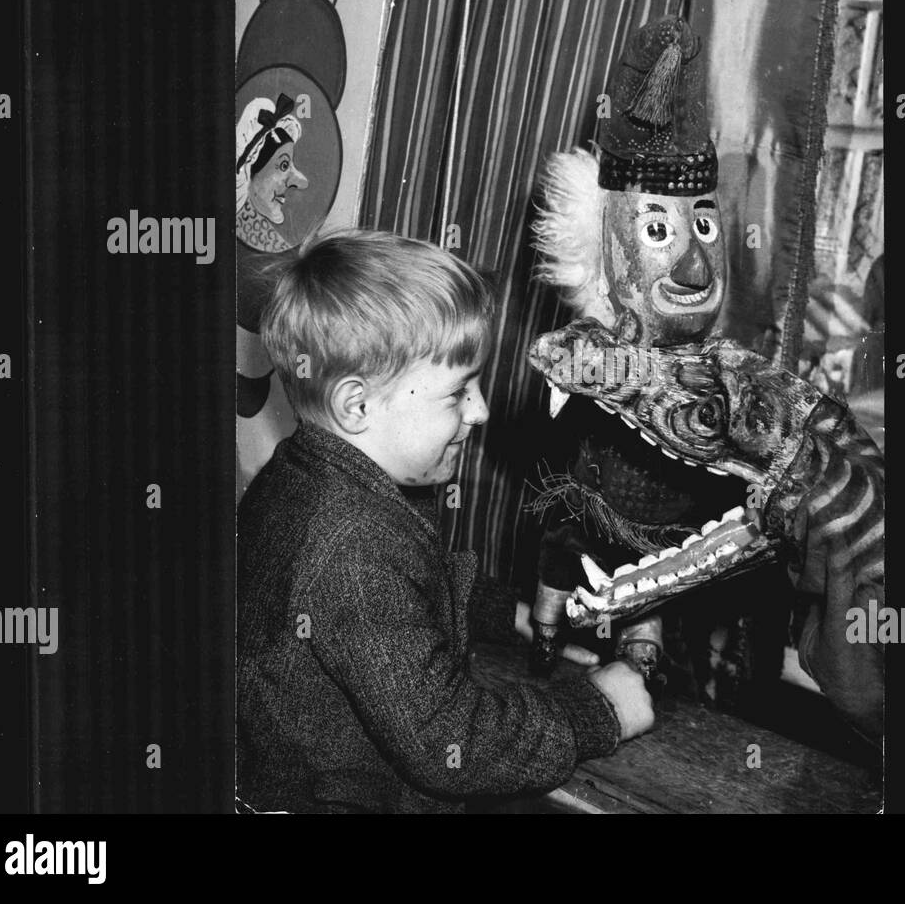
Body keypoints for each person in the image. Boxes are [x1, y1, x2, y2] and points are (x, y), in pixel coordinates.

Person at [236, 229, 654, 813]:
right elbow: (449, 739)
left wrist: (504, 615)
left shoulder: (306, 478)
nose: (480, 411)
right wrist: (596, 711)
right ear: (356, 406)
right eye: (458, 392)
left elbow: (413, 586)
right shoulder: (352, 547)